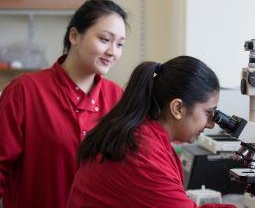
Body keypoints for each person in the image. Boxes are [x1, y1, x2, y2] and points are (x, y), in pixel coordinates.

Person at [0, 0, 128, 208]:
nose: (113, 51)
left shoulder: (117, 97)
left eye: (120, 44)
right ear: (74, 36)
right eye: (105, 39)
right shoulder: (25, 91)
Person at [67, 56, 235, 208]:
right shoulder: (142, 155)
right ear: (178, 108)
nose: (212, 124)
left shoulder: (141, 134)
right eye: (208, 113)